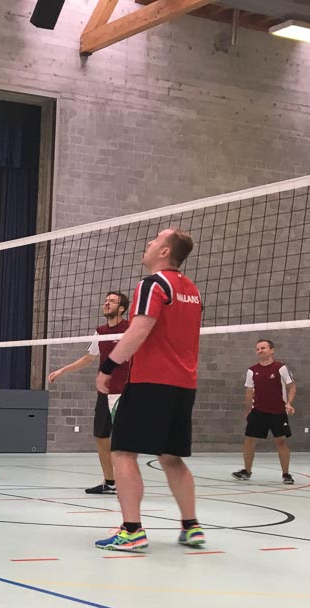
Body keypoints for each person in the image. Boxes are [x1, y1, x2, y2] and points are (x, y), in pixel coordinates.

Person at [95, 228, 204, 552]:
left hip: (151, 382)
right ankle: (191, 527)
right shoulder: (192, 290)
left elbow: (139, 329)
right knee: (171, 458)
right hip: (184, 386)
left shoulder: (152, 284)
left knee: (122, 452)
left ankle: (132, 530)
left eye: (155, 240)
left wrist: (108, 366)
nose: (149, 243)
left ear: (165, 252)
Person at [47, 291, 131, 494]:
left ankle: (128, 483)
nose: (106, 303)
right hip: (104, 392)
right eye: (106, 300)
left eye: (112, 301)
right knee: (101, 437)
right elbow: (89, 358)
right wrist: (62, 370)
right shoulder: (100, 332)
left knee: (123, 441)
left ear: (121, 308)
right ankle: (110, 483)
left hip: (125, 392)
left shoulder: (130, 329)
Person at [233, 339, 296, 484]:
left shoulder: (281, 368)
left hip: (278, 412)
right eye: (257, 349)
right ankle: (246, 471)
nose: (260, 351)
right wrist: (247, 411)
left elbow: (292, 386)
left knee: (281, 441)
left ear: (271, 350)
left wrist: (289, 403)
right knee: (249, 441)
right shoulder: (252, 370)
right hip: (258, 411)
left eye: (263, 348)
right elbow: (249, 391)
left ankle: (286, 474)